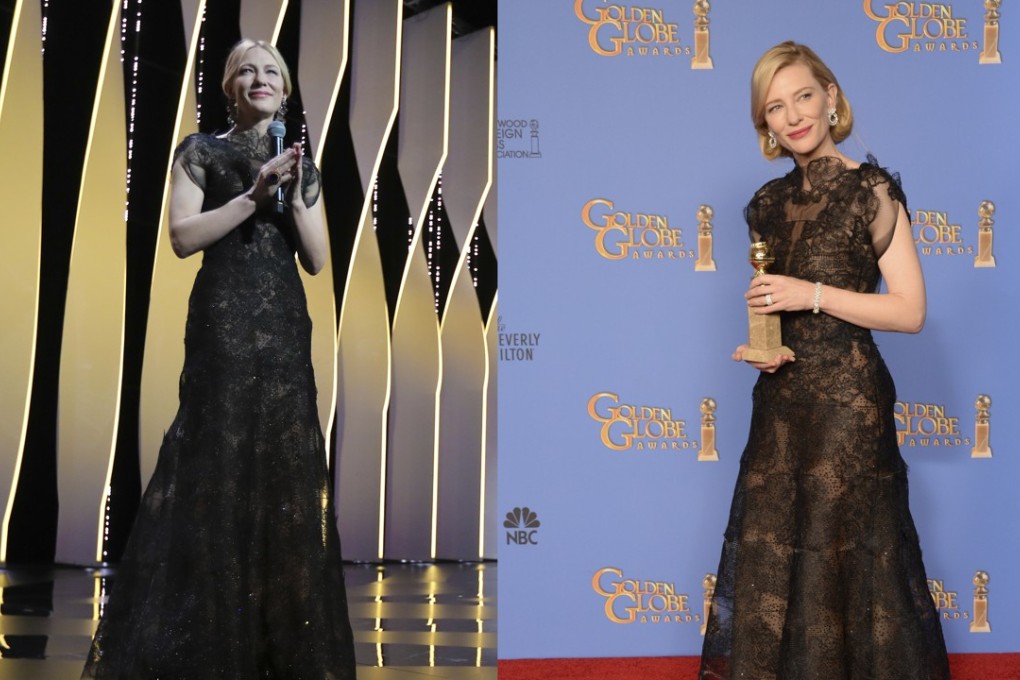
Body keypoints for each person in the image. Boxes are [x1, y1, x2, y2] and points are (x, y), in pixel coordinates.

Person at [81, 39, 357, 679]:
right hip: (224, 322)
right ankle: (203, 638)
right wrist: (253, 196)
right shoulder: (200, 150)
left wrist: (295, 194)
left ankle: (272, 642)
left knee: (284, 467)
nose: (261, 79)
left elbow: (317, 260)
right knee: (217, 462)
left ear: (285, 92)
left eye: (272, 72)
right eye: (248, 71)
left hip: (283, 327)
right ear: (230, 87)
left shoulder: (301, 166)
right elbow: (182, 238)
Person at [699, 41, 949, 679]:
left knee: (849, 563)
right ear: (764, 123)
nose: (793, 117)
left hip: (849, 406)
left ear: (831, 97)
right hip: (781, 407)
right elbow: (775, 305)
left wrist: (810, 294)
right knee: (779, 560)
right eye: (774, 107)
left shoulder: (872, 190)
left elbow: (910, 311)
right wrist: (765, 346)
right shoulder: (764, 204)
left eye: (803, 96)